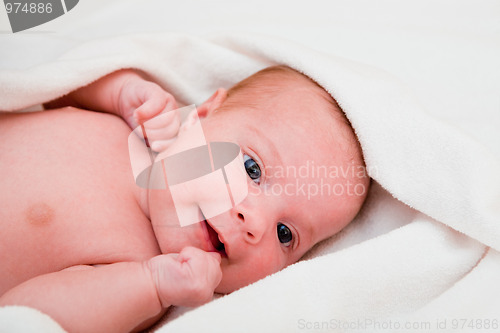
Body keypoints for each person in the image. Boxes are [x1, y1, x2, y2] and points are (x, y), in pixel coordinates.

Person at [0, 65, 369, 332]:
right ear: (201, 116)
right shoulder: (139, 125)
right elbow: (53, 78)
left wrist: (154, 286)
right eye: (252, 168)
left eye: (285, 234)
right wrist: (119, 91)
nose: (254, 222)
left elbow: (27, 315)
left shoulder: (137, 277)